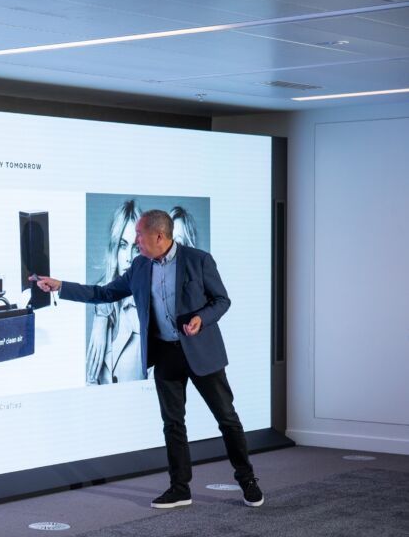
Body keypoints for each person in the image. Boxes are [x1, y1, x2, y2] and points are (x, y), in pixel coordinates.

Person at [33, 210, 263, 509]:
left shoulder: (199, 260)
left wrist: (200, 319)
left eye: (140, 235)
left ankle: (247, 480)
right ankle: (180, 489)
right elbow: (103, 293)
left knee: (227, 419)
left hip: (201, 352)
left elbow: (222, 300)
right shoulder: (140, 266)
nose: (136, 241)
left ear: (159, 236)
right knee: (173, 423)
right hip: (165, 353)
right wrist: (61, 286)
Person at [87, 200, 142, 385]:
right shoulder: (103, 308)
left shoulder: (151, 308)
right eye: (123, 245)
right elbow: (92, 379)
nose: (128, 258)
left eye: (136, 248)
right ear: (114, 248)